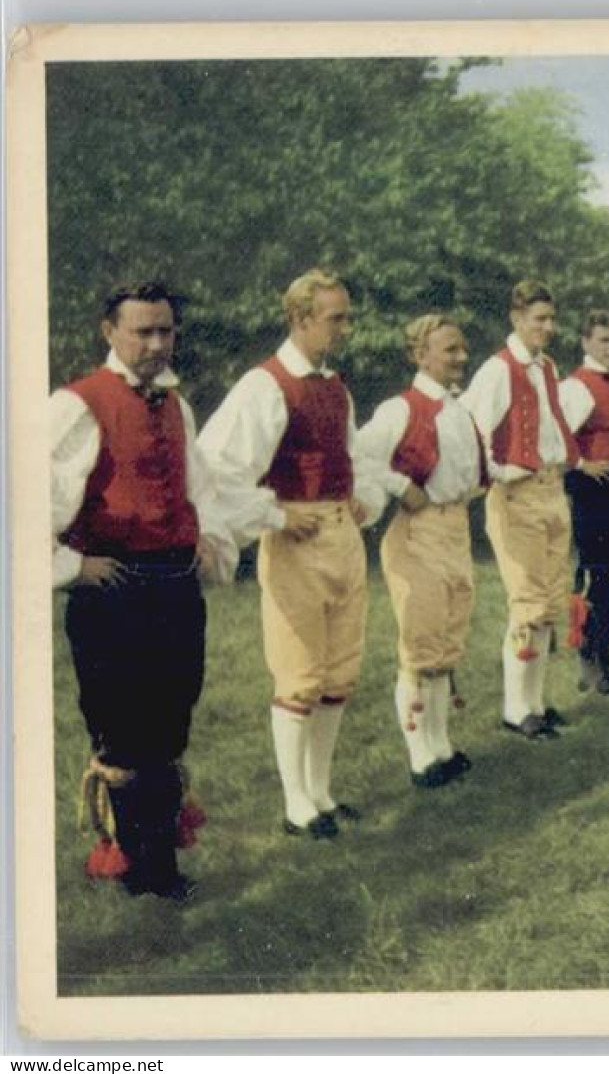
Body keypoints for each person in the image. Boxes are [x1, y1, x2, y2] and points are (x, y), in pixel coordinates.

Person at [52, 282, 238, 900]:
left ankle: (158, 858)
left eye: (166, 330)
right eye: (143, 332)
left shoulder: (177, 405)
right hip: (116, 589)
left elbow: (201, 489)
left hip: (174, 587)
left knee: (169, 724)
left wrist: (208, 537)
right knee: (125, 732)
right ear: (110, 332)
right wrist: (71, 566)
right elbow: (23, 497)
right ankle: (143, 868)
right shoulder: (78, 405)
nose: (158, 343)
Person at [199, 269, 388, 840]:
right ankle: (296, 803)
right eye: (337, 318)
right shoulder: (266, 385)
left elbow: (359, 457)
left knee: (340, 672)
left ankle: (322, 791)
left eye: (347, 317)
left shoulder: (335, 385)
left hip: (341, 537)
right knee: (300, 674)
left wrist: (365, 498)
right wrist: (277, 514)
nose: (346, 328)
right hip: (297, 544)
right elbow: (215, 466)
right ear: (301, 318)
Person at [357, 314, 487, 789]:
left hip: (454, 528)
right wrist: (397, 484)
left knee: (446, 643)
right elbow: (355, 451)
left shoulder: (457, 409)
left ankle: (441, 746)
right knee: (421, 642)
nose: (460, 357)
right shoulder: (401, 408)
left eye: (461, 348)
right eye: (449, 349)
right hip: (419, 531)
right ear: (420, 355)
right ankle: (420, 756)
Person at [463, 280, 577, 739]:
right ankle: (516, 709)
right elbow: (471, 431)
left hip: (552, 489)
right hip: (517, 493)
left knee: (549, 602)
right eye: (538, 320)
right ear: (516, 319)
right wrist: (501, 472)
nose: (547, 328)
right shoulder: (497, 370)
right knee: (527, 603)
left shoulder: (545, 367)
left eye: (551, 319)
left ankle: (537, 701)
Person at [558, 309, 609, 695]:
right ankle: (588, 661)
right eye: (604, 340)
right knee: (594, 574)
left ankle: (605, 657)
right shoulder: (576, 386)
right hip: (592, 490)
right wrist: (581, 464)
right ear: (586, 342)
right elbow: (555, 439)